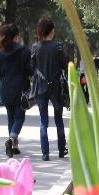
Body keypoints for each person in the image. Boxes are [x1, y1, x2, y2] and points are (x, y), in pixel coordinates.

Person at [31, 18, 68, 161]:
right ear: (52, 31)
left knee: (43, 121)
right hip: (56, 87)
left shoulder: (35, 47)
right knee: (59, 119)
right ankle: (61, 149)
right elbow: (65, 65)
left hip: (40, 87)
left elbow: (31, 67)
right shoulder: (58, 47)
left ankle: (45, 153)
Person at [0, 23, 31, 157]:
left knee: (10, 116)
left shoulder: (1, 54)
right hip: (20, 87)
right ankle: (11, 139)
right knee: (19, 116)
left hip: (5, 88)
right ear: (16, 36)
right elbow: (30, 69)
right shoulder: (24, 51)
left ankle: (14, 146)